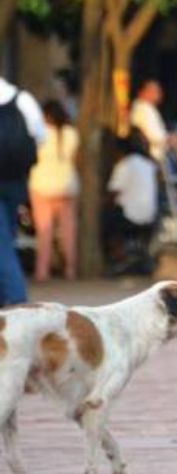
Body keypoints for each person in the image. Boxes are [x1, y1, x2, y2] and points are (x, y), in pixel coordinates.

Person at [0, 77, 44, 305]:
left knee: (2, 242)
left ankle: (16, 299)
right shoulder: (23, 99)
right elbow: (40, 136)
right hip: (16, 181)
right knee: (7, 236)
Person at [28, 100, 79, 281]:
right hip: (66, 185)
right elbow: (73, 159)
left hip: (41, 185)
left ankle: (42, 271)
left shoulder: (38, 133)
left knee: (44, 231)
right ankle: (70, 270)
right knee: (68, 231)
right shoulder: (72, 133)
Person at [104, 136, 158, 275]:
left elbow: (114, 192)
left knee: (105, 220)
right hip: (150, 216)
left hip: (130, 217)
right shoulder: (149, 164)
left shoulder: (124, 165)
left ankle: (118, 254)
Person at [130, 79, 168, 164]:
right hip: (150, 157)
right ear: (145, 91)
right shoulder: (144, 108)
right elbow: (153, 135)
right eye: (155, 91)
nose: (158, 95)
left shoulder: (145, 107)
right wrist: (169, 139)